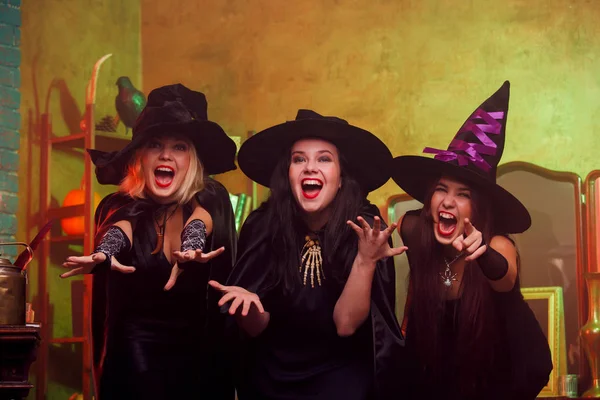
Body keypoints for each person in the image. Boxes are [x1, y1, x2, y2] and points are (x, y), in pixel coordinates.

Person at [209, 110, 406, 400]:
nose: (309, 168)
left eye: (324, 158)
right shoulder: (263, 224)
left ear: (340, 179)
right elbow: (256, 327)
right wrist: (248, 309)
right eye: (299, 159)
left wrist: (365, 260)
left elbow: (346, 325)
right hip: (270, 376)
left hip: (340, 376)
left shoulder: (363, 226)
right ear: (287, 175)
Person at [60, 84, 238, 400]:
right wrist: (104, 252)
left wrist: (193, 243)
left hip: (199, 348)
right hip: (135, 345)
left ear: (193, 159)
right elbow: (122, 226)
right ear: (141, 156)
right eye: (155, 144)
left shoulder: (212, 199)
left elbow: (203, 218)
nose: (166, 154)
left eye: (179, 146)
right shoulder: (120, 204)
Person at [391, 81, 553, 400]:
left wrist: (481, 255)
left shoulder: (499, 246)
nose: (448, 202)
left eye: (463, 195)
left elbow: (504, 277)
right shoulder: (417, 232)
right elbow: (410, 225)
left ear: (478, 208)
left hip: (493, 385)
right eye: (441, 189)